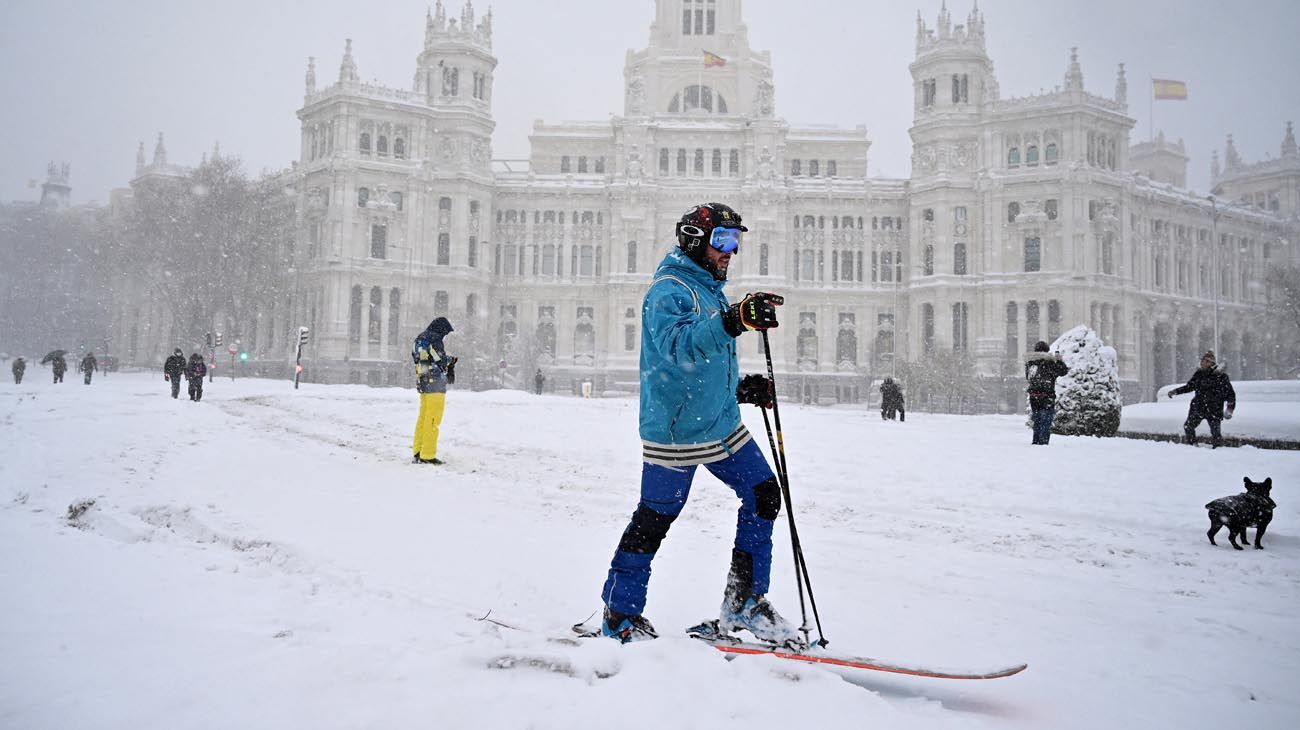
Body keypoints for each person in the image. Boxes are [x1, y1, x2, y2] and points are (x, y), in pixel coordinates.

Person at [599, 202, 801, 647]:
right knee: (655, 518)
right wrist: (735, 320)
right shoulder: (668, 291)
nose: (731, 251)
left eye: (735, 242)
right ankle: (619, 614)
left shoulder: (707, 287)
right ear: (694, 240)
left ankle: (745, 603)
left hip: (718, 421)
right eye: (723, 241)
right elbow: (679, 348)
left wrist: (741, 388)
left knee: (764, 495)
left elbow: (705, 359)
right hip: (677, 432)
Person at [1168, 350, 1236, 448]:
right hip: (1198, 407)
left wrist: (1230, 408)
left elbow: (1230, 394)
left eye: (1205, 361)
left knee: (1216, 434)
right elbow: (1189, 386)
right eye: (1202, 360)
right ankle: (1193, 445)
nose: (1202, 362)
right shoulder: (1199, 374)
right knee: (1188, 427)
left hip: (1214, 409)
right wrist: (1175, 391)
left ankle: (1218, 450)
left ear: (1211, 363)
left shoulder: (1221, 377)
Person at [411, 317, 456, 464]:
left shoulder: (420, 338)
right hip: (434, 382)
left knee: (423, 418)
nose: (444, 336)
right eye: (445, 333)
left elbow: (420, 358)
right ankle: (428, 455)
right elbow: (439, 360)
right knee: (433, 419)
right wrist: (450, 361)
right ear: (441, 329)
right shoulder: (434, 339)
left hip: (423, 381)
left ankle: (418, 451)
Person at [1025, 341, 1069, 445]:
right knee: (1045, 420)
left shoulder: (1030, 363)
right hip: (1047, 396)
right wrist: (1059, 361)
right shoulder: (1049, 363)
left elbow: (1028, 377)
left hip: (1034, 396)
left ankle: (1036, 441)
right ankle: (1043, 443)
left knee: (1037, 420)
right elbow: (1063, 371)